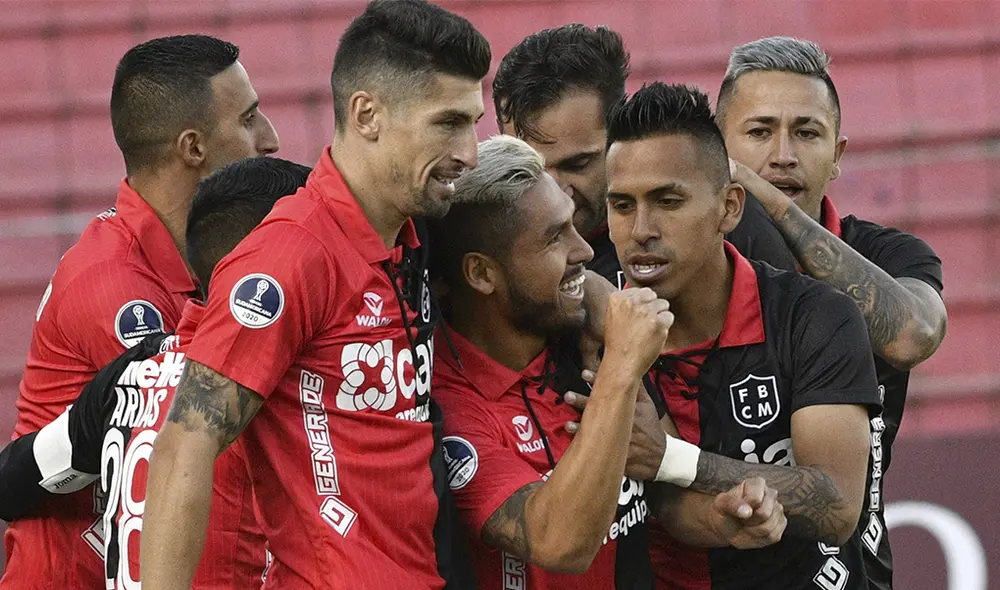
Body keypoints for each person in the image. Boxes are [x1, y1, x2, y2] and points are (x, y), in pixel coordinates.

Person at [140, 1, 489, 588]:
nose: (470, 152)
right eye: (448, 123)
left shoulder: (412, 233)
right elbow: (185, 444)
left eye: (474, 122)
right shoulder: (291, 254)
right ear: (367, 115)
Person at [427, 136, 786, 590]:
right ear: (482, 274)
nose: (582, 251)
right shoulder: (451, 408)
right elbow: (559, 543)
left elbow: (659, 492)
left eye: (572, 226)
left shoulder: (583, 342)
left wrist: (720, 521)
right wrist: (621, 366)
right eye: (553, 238)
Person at [3, 34, 279, 589]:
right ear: (193, 148)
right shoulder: (116, 287)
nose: (270, 139)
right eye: (249, 119)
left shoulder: (195, 254)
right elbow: (194, 443)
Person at [602, 82, 881, 589]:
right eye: (622, 205)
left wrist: (671, 457)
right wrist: (718, 516)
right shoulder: (598, 330)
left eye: (668, 201)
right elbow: (665, 500)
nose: (641, 229)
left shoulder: (815, 316)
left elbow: (838, 504)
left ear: (730, 208)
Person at [717, 37, 947, 589]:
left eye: (807, 132)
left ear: (838, 153)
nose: (783, 154)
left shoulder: (889, 255)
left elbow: (914, 334)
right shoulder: (695, 264)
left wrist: (771, 202)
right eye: (759, 132)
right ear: (717, 145)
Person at [492, 24, 791, 290]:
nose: (556, 191)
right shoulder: (484, 239)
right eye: (531, 168)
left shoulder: (720, 218)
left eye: (577, 165)